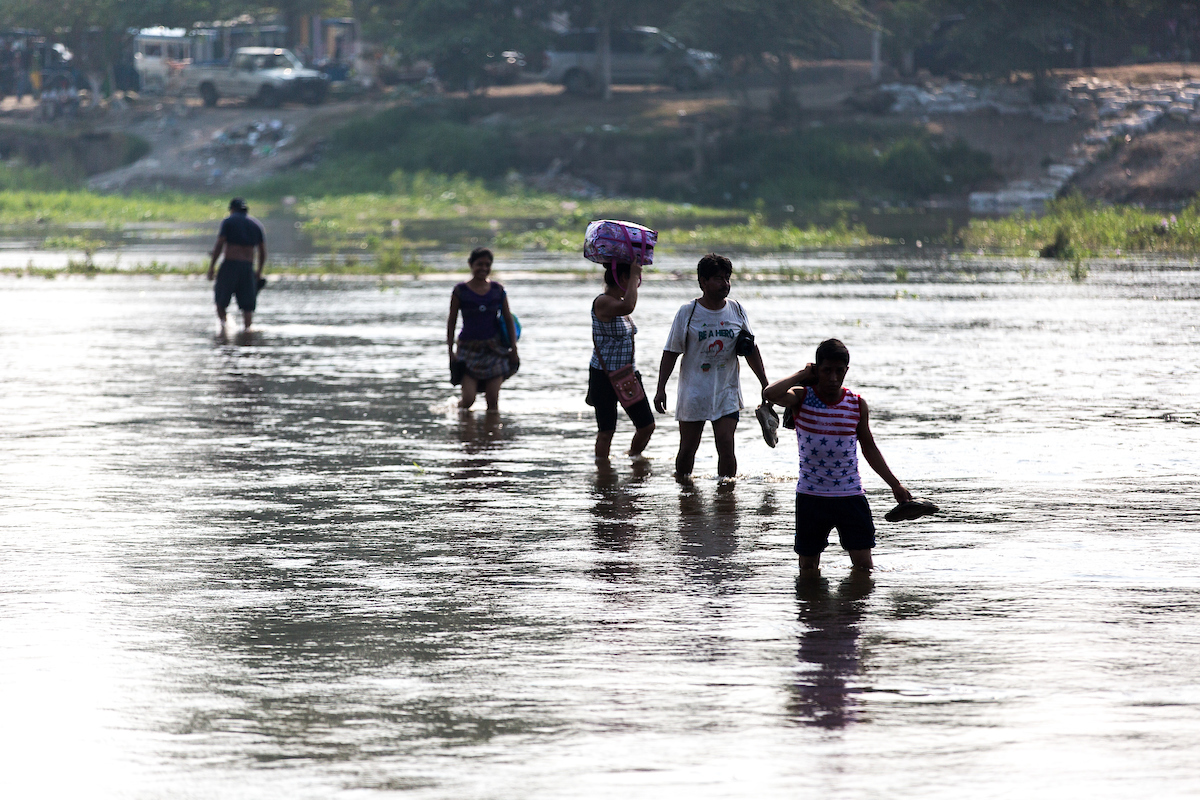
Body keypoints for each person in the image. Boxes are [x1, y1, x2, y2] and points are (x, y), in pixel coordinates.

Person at [763, 338, 913, 574]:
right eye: (826, 371)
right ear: (817, 369)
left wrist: (895, 485)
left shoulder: (856, 404)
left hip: (850, 496)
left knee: (864, 567)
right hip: (811, 497)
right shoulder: (802, 398)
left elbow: (869, 448)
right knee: (808, 569)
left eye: (839, 371)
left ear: (846, 371)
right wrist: (803, 373)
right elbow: (771, 393)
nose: (833, 378)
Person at [654, 253, 769, 481]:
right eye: (718, 278)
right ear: (703, 282)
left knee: (726, 444)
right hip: (694, 391)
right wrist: (661, 388)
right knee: (688, 448)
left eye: (727, 278)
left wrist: (765, 384)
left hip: (726, 390)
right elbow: (671, 352)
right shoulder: (688, 312)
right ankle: (684, 491)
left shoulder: (736, 310)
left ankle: (726, 498)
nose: (725, 284)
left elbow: (750, 348)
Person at [587, 259, 655, 462]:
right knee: (606, 431)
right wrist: (634, 274)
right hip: (604, 375)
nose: (637, 281)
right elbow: (629, 306)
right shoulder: (603, 301)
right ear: (622, 278)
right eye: (633, 278)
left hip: (627, 373)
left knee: (646, 426)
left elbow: (627, 305)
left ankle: (633, 458)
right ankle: (602, 474)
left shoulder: (619, 303)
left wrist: (633, 275)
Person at [447, 247, 519, 411]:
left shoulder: (497, 290)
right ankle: (454, 411)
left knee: (492, 402)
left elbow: (508, 319)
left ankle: (491, 434)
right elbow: (452, 321)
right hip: (468, 350)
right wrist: (450, 351)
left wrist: (514, 348)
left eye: (488, 265)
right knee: (468, 401)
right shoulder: (460, 291)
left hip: (493, 350)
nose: (484, 269)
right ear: (471, 265)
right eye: (480, 264)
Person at [207, 198, 266, 330]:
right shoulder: (256, 225)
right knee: (248, 307)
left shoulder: (228, 222)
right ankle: (247, 330)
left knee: (220, 302)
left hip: (230, 266)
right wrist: (258, 271)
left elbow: (219, 245)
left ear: (232, 209)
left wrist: (212, 267)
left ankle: (224, 327)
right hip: (248, 267)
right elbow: (262, 252)